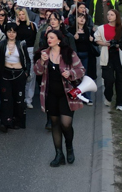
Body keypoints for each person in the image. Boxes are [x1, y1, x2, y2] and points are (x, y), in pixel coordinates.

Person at [33, 29, 85, 167]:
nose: (49, 39)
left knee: (66, 123)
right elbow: (37, 71)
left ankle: (69, 147)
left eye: (52, 37)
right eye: (48, 37)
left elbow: (81, 70)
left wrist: (71, 73)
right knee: (55, 123)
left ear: (59, 40)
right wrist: (42, 61)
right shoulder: (43, 53)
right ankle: (59, 154)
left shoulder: (68, 53)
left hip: (67, 94)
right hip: (51, 94)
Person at [0, 23, 30, 132]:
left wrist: (26, 72)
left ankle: (18, 121)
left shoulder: (21, 44)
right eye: (9, 31)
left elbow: (27, 59)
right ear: (6, 32)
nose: (11, 34)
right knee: (6, 99)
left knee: (19, 99)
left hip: (19, 74)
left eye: (14, 32)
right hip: (6, 74)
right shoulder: (2, 44)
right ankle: (5, 121)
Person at [95, 9, 122, 111]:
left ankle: (120, 103)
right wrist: (107, 43)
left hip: (119, 55)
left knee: (121, 80)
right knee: (108, 79)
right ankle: (108, 97)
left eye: (112, 15)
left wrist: (118, 44)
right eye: (108, 14)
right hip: (107, 55)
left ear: (116, 16)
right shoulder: (102, 28)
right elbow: (97, 39)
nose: (109, 16)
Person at [71, 12, 96, 105]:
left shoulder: (88, 30)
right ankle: (75, 95)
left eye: (84, 18)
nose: (82, 19)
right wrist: (74, 38)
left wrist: (92, 40)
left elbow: (94, 42)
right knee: (75, 76)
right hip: (75, 57)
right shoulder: (71, 29)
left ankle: (87, 97)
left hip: (86, 55)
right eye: (80, 17)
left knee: (85, 76)